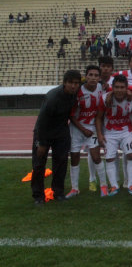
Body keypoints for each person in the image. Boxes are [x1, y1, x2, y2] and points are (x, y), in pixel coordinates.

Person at [31, 70, 81, 204]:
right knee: (38, 164)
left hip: (61, 132)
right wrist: (41, 143)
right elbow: (42, 120)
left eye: (76, 83)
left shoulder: (76, 92)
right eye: (70, 83)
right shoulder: (53, 97)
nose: (73, 86)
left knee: (61, 163)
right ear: (64, 83)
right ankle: (38, 196)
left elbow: (91, 82)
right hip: (44, 132)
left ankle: (58, 193)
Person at [96, 75, 132, 196]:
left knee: (131, 156)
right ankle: (114, 186)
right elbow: (98, 118)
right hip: (109, 132)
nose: (119, 90)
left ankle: (131, 185)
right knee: (110, 158)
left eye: (122, 87)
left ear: (127, 88)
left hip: (126, 131)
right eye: (116, 87)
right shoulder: (104, 98)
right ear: (112, 87)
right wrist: (100, 135)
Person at [66, 65, 109, 199]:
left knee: (96, 157)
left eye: (96, 76)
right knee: (74, 157)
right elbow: (71, 115)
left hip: (92, 128)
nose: (93, 78)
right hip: (77, 128)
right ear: (86, 76)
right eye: (91, 75)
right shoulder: (78, 92)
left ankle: (103, 186)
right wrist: (83, 129)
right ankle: (75, 188)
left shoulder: (102, 89)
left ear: (99, 78)